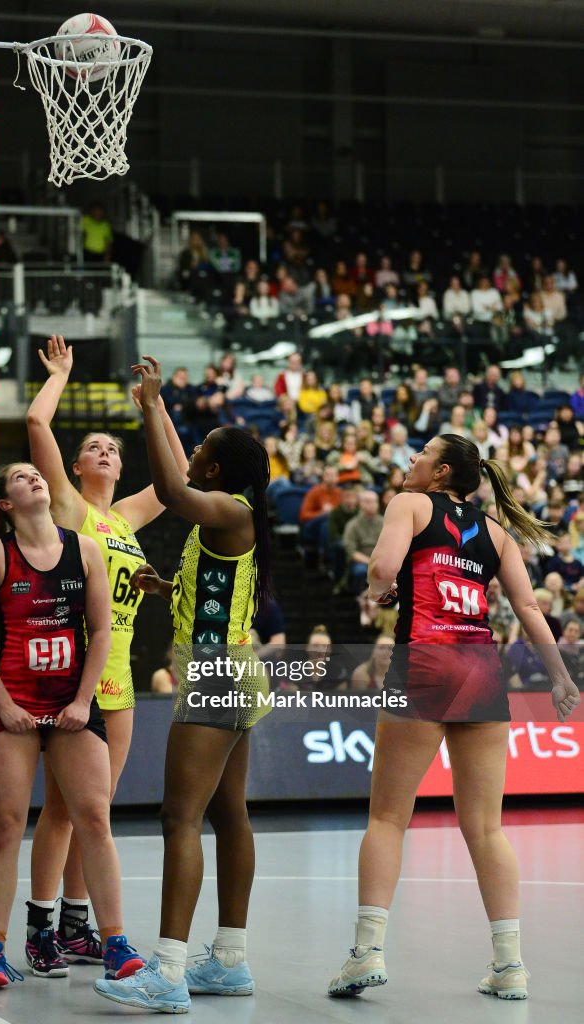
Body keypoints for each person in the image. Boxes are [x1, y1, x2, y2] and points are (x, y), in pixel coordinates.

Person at [327, 434, 580, 1001]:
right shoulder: (495, 533)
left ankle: (366, 951)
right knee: (487, 827)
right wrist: (561, 676)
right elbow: (530, 607)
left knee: (389, 817)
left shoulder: (407, 504)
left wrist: (380, 588)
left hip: (421, 662)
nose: (410, 458)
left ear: (440, 472)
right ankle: (510, 964)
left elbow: (383, 568)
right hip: (481, 672)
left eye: (420, 453)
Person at [94, 356, 272, 1013]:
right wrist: (168, 588)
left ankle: (167, 970)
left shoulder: (223, 508)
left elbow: (170, 489)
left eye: (200, 451)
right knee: (228, 814)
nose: (190, 455)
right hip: (238, 668)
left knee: (180, 817)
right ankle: (228, 959)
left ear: (217, 471)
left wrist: (149, 410)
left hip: (221, 673)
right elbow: (221, 592)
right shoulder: (231, 511)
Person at [23, 335, 189, 975]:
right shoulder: (69, 509)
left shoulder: (123, 519)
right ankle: (42, 928)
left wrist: (156, 407)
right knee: (64, 810)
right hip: (72, 674)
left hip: (117, 675)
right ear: (77, 463)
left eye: (114, 449)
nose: (106, 451)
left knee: (94, 809)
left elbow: (180, 476)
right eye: (95, 446)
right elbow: (38, 421)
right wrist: (60, 374)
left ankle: (73, 925)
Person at [0, 463, 138, 988]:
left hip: (72, 702)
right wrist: (5, 706)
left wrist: (82, 701)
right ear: (6, 503)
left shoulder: (86, 549)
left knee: (94, 817)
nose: (34, 479)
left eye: (37, 474)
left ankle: (116, 943)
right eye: (19, 478)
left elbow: (100, 631)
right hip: (16, 706)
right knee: (7, 825)